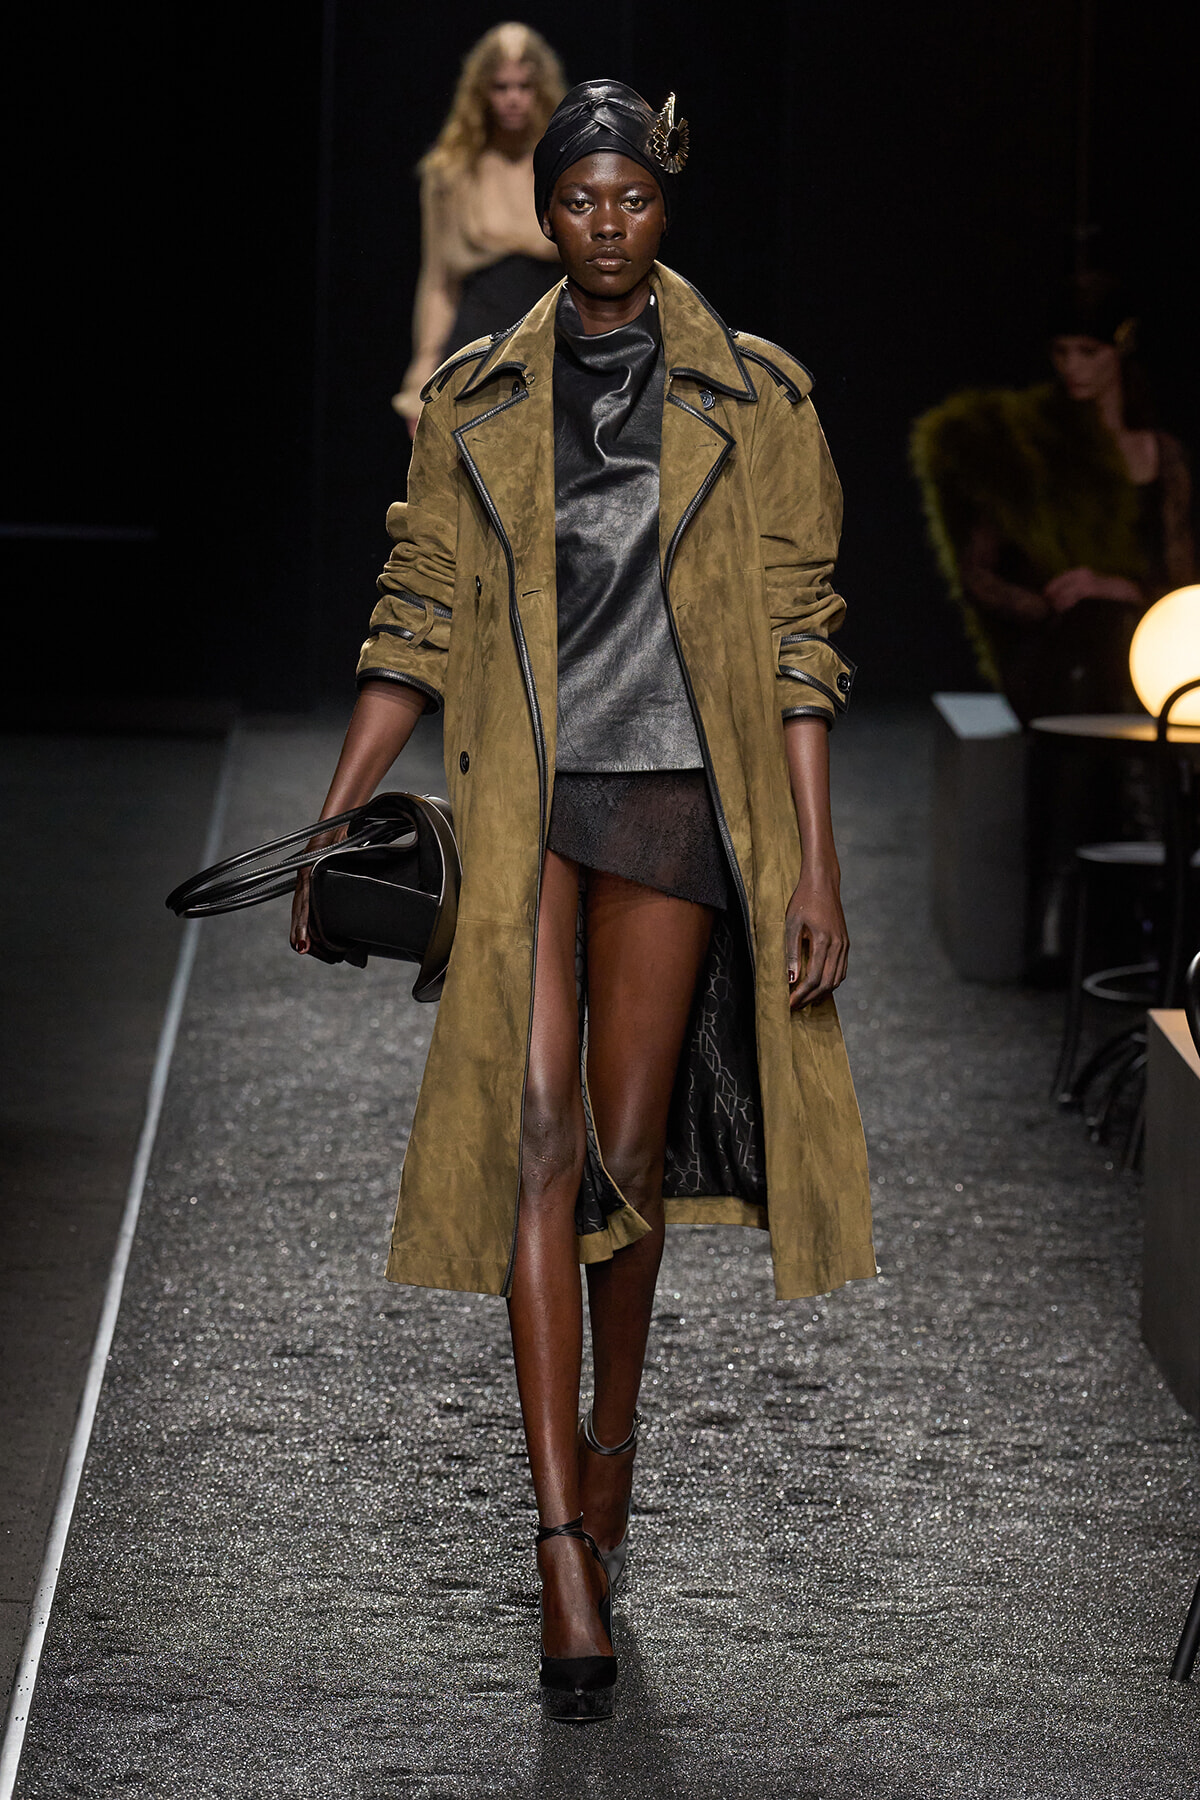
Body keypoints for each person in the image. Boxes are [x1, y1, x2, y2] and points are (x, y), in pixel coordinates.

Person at [295, 79, 875, 1722]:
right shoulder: (483, 398)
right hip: (526, 812)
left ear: (660, 208)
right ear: (546, 214)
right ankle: (560, 1550)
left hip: (686, 813)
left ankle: (606, 1472)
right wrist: (336, 814)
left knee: (621, 1170)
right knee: (537, 1142)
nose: (606, 224)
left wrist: (815, 863)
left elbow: (797, 632)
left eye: (630, 199)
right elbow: (412, 607)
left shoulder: (757, 401)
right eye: (579, 201)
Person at [911, 274, 1194, 724]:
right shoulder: (1028, 446)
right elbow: (977, 572)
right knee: (1086, 654)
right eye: (1061, 352)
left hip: (1146, 651)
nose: (1072, 367)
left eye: (1087, 352)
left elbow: (1184, 586)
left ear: (1120, 350)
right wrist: (1051, 605)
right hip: (1055, 654)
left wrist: (1115, 588)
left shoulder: (1161, 455)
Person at [391, 22, 566, 439]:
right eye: (501, 87)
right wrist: (423, 374)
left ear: (540, 89)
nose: (513, 99)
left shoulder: (564, 164)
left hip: (556, 346)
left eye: (524, 86)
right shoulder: (452, 173)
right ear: (481, 92)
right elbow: (438, 282)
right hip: (477, 350)